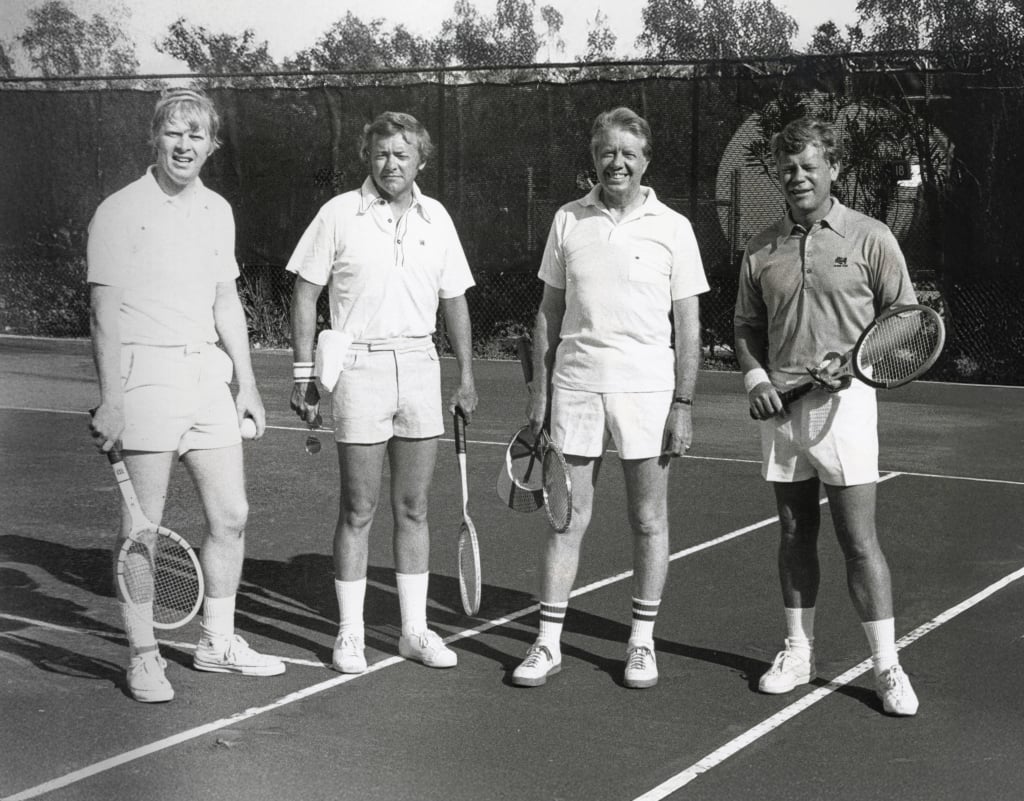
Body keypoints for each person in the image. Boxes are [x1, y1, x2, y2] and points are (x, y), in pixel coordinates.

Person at [87, 88, 285, 704]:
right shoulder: (118, 210)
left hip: (207, 378)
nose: (184, 145)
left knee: (232, 516)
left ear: (211, 145)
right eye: (174, 133)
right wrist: (112, 398)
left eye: (196, 135)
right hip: (143, 377)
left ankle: (216, 642)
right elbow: (103, 313)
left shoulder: (218, 211)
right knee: (142, 530)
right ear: (155, 136)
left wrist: (246, 383)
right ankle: (144, 657)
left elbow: (227, 300)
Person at [511, 107, 708, 689]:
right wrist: (539, 395)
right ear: (594, 157)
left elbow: (688, 324)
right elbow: (548, 311)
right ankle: (547, 644)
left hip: (649, 391)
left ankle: (641, 643)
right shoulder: (568, 220)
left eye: (628, 152)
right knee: (566, 519)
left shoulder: (674, 227)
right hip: (575, 386)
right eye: (607, 152)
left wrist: (685, 403)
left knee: (648, 520)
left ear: (645, 160)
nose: (616, 162)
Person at [733, 116, 919, 716]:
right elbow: (745, 326)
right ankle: (797, 651)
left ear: (832, 170)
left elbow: (907, 318)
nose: (798, 177)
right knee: (793, 534)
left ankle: (888, 668)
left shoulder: (870, 237)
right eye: (788, 169)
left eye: (809, 166)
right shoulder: (761, 248)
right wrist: (757, 377)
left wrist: (860, 360)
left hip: (847, 407)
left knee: (857, 540)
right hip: (782, 411)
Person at [287, 111, 478, 675]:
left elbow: (454, 300)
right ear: (367, 159)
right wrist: (303, 373)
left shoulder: (436, 217)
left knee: (413, 507)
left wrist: (465, 374)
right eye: (381, 154)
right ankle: (350, 634)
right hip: (359, 367)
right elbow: (304, 295)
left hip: (420, 363)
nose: (391, 164)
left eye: (402, 154)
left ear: (421, 159)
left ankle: (414, 632)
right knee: (359, 507)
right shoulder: (338, 214)